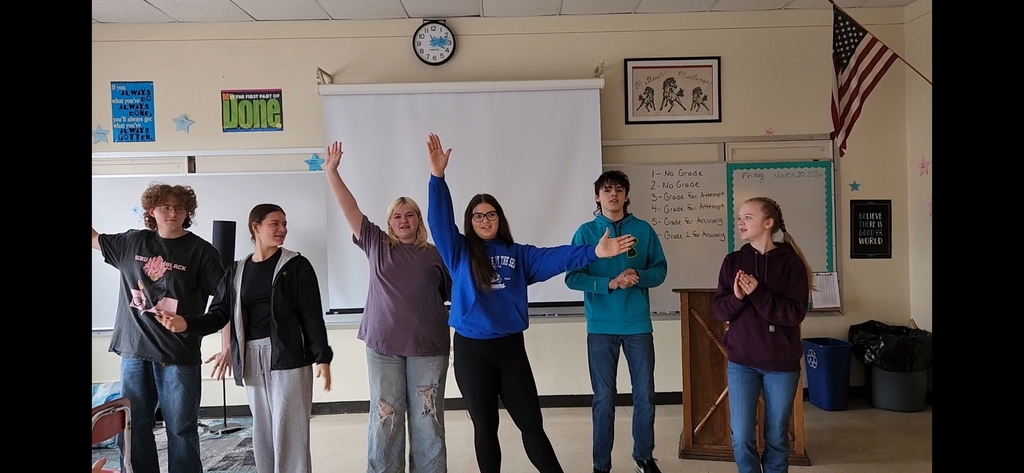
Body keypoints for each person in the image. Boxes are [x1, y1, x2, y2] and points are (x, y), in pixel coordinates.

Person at [424, 133, 637, 473]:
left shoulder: (518, 255)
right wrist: (437, 178)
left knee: (531, 425)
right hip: (472, 351)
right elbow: (437, 221)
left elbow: (555, 258)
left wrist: (594, 252)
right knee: (485, 427)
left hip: (510, 351)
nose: (484, 220)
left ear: (500, 218)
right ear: (470, 221)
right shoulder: (459, 252)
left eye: (490, 214)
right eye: (477, 216)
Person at [156, 203, 334, 473]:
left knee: (290, 431)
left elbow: (311, 314)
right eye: (275, 223)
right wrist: (187, 324)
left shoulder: (296, 265)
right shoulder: (237, 271)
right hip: (251, 357)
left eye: (284, 224)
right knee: (262, 429)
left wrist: (322, 357)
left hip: (289, 357)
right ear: (256, 227)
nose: (282, 229)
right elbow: (218, 313)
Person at [323, 140, 453, 473]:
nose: (403, 219)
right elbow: (350, 209)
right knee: (386, 418)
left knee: (428, 421)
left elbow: (454, 296)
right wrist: (331, 171)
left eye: (410, 214)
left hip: (429, 349)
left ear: (419, 220)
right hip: (383, 348)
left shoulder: (437, 254)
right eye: (397, 215)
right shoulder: (377, 243)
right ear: (389, 222)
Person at [92, 183, 225, 473]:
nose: (173, 213)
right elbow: (93, 238)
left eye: (179, 207)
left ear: (188, 212)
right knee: (134, 429)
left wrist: (189, 323)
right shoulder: (131, 242)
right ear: (151, 211)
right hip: (134, 353)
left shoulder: (201, 252)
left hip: (177, 357)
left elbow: (226, 306)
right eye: (165, 207)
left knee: (181, 430)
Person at [564, 170, 668, 473]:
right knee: (604, 399)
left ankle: (644, 457)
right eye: (607, 190)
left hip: (637, 325)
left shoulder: (643, 230)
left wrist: (638, 277)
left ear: (626, 195)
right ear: (597, 197)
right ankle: (601, 465)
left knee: (645, 395)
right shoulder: (585, 232)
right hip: (600, 328)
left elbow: (659, 269)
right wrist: (609, 283)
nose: (613, 195)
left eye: (619, 189)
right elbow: (573, 277)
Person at [712, 197, 814, 473]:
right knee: (741, 436)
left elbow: (794, 314)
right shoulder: (733, 261)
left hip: (781, 365)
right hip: (741, 362)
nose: (741, 222)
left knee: (777, 438)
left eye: (748, 217)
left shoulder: (791, 264)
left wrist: (758, 294)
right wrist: (737, 297)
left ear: (768, 223)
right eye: (740, 217)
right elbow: (721, 311)